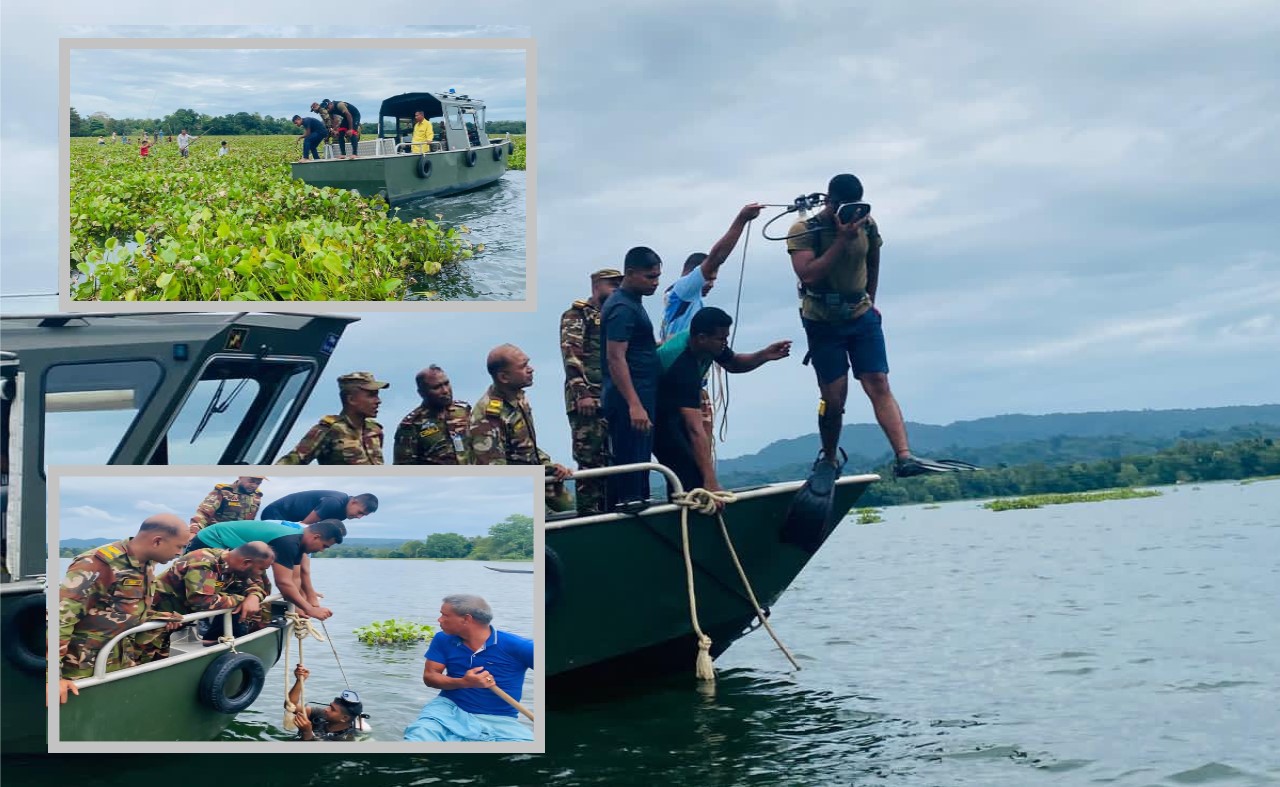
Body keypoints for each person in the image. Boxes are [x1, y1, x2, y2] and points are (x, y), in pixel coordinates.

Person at [788, 173, 964, 477]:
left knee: (878, 383)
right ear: (830, 201)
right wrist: (841, 241)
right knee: (833, 398)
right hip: (822, 321)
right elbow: (809, 275)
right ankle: (829, 458)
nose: (851, 213)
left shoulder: (867, 223)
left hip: (860, 315)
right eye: (843, 206)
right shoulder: (805, 230)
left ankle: (904, 457)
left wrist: (871, 299)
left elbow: (873, 260)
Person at [654, 308, 791, 499]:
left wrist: (764, 355)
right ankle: (684, 514)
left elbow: (733, 363)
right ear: (702, 338)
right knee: (685, 467)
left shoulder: (705, 344)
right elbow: (694, 429)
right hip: (653, 412)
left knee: (694, 465)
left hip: (673, 407)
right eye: (722, 339)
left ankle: (691, 507)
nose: (725, 343)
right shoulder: (682, 364)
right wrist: (711, 483)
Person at [57, 514, 191, 703]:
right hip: (83, 667)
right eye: (179, 546)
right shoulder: (99, 563)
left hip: (122, 658)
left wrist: (158, 618)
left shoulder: (146, 565)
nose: (180, 553)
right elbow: (60, 618)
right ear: (157, 541)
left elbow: (120, 608)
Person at [404, 595, 533, 742]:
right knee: (419, 736)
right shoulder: (442, 639)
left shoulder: (520, 646)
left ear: (466, 619)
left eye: (444, 615)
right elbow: (430, 677)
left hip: (499, 719)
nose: (439, 620)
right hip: (448, 709)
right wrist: (464, 682)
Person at [470, 344, 573, 511]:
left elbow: (524, 445)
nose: (530, 369)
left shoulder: (517, 397)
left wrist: (550, 466)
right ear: (504, 377)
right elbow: (494, 472)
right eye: (523, 366)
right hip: (518, 491)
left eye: (528, 363)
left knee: (570, 512)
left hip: (539, 478)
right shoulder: (489, 415)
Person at [133, 542, 275, 662]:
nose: (259, 574)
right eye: (261, 569)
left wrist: (254, 597)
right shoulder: (203, 562)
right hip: (152, 617)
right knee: (140, 663)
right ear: (246, 563)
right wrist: (242, 600)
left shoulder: (234, 567)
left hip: (174, 619)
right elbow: (202, 601)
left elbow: (258, 587)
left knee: (159, 663)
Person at [601, 247, 663, 508]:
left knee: (641, 466)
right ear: (630, 273)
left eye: (658, 276)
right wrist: (634, 404)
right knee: (631, 468)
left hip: (643, 394)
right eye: (650, 277)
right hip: (629, 400)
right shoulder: (622, 307)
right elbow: (615, 357)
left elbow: (635, 349)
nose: (656, 282)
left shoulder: (634, 303)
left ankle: (639, 505)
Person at [185, 520, 343, 621]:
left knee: (263, 586)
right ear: (315, 537)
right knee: (225, 586)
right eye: (324, 546)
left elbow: (294, 580)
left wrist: (299, 607)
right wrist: (310, 609)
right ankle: (208, 628)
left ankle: (240, 624)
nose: (322, 551)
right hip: (212, 541)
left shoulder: (297, 542)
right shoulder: (288, 541)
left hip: (239, 551)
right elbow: (283, 583)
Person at [559, 267, 623, 514]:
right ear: (597, 286)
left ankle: (610, 511)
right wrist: (582, 393)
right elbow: (571, 355)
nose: (617, 289)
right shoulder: (577, 314)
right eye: (612, 284)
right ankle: (589, 515)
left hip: (610, 398)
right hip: (587, 400)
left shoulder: (612, 315)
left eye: (620, 284)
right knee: (590, 462)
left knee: (613, 461)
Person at [660, 203, 764, 342]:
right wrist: (742, 219)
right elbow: (717, 257)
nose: (712, 284)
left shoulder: (688, 299)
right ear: (693, 274)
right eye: (709, 278)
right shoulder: (684, 289)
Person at [277, 371, 388, 465]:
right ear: (351, 400)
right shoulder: (328, 429)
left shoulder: (374, 430)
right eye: (371, 396)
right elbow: (291, 462)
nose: (378, 401)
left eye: (377, 395)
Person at [393, 365, 472, 465]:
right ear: (422, 393)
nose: (445, 390)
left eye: (446, 383)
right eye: (437, 387)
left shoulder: (463, 409)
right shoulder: (410, 425)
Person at [288, 666, 367, 741]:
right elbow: (291, 706)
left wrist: (307, 732)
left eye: (332, 709)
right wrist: (299, 681)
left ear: (344, 718)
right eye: (330, 706)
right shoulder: (321, 714)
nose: (326, 709)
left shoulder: (346, 739)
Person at [189, 476, 266, 533]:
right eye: (251, 481)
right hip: (215, 534)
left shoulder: (256, 496)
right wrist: (194, 531)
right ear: (241, 477)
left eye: (258, 483)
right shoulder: (224, 491)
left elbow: (249, 521)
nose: (254, 485)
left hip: (237, 537)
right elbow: (203, 513)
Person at [260, 489, 378, 526]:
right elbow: (303, 526)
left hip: (291, 520)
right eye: (360, 512)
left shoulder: (343, 513)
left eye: (363, 515)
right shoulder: (334, 502)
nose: (359, 517)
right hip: (276, 513)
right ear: (353, 502)